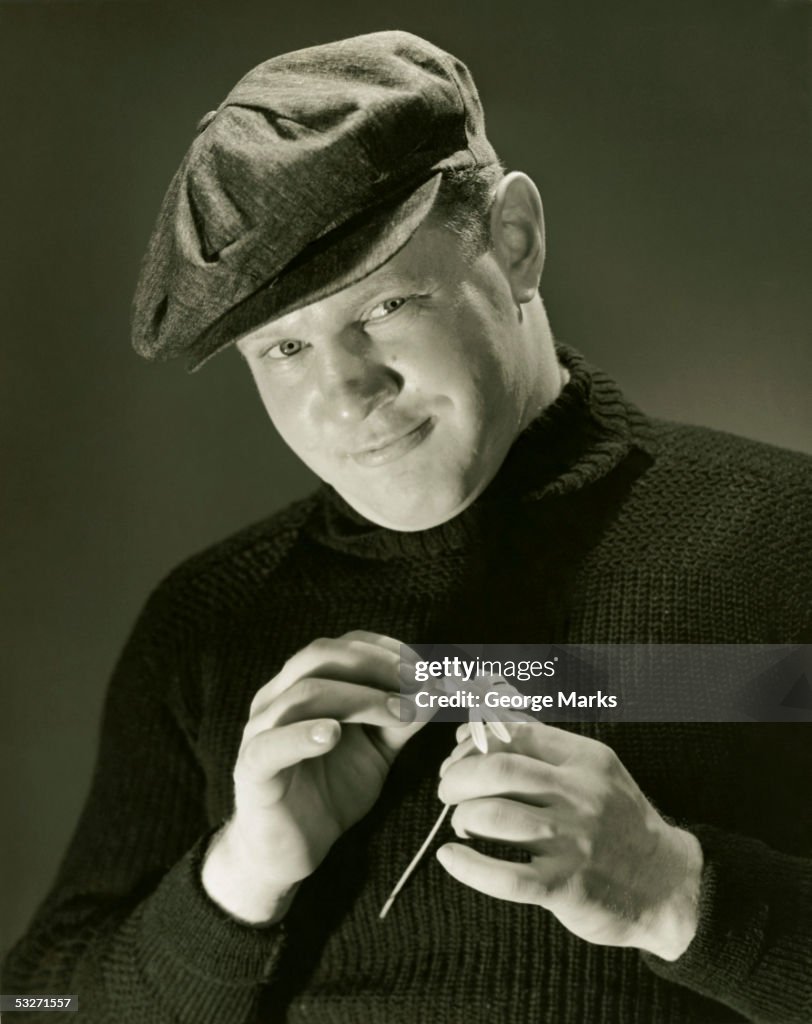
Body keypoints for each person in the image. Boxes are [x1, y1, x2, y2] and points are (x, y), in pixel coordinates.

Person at [3, 29, 811, 1024]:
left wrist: (677, 893)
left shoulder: (785, 541)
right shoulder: (204, 628)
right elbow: (35, 1007)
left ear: (513, 242)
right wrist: (239, 877)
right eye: (286, 344)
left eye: (386, 304)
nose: (342, 394)